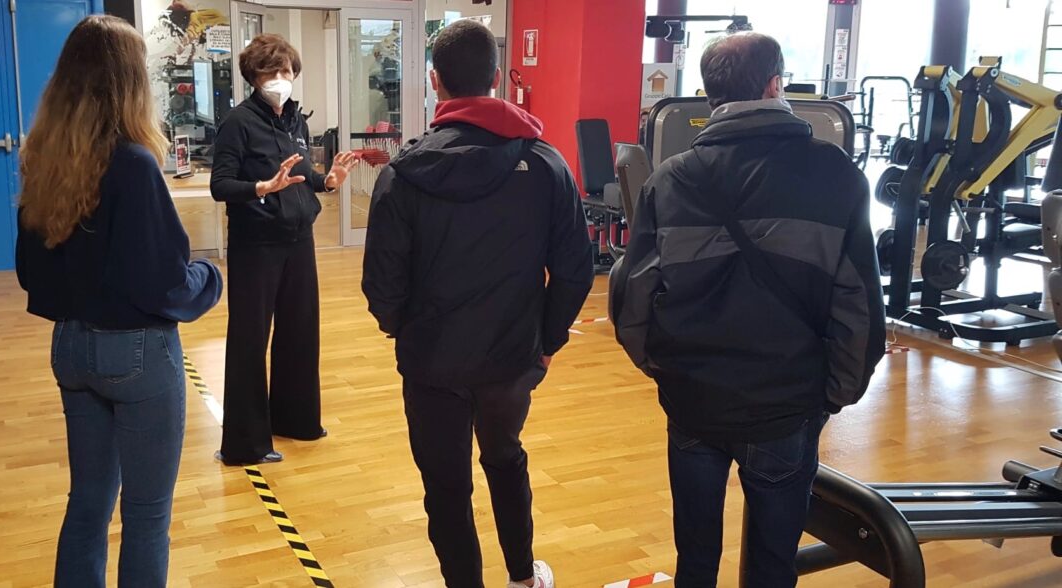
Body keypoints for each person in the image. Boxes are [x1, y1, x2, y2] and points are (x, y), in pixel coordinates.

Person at [609, 33, 886, 587]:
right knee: (773, 564)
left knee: (695, 558)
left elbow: (632, 298)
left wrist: (664, 369)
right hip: (787, 402)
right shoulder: (835, 176)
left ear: (709, 93)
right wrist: (834, 393)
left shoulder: (671, 180)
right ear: (775, 84)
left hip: (695, 400)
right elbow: (859, 304)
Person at [362, 20, 593, 588]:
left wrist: (406, 330)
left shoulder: (403, 173)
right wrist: (547, 340)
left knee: (445, 486)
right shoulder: (547, 165)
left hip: (432, 360)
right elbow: (575, 271)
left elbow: (381, 286)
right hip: (511, 357)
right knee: (505, 457)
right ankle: (523, 578)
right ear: (495, 78)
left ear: (434, 81)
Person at [15, 16, 223, 588]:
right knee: (147, 516)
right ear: (130, 83)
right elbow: (164, 284)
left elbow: (31, 272)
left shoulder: (41, 157)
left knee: (87, 504)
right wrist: (210, 277)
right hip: (136, 356)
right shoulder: (133, 163)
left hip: (71, 347)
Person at [211, 34, 359, 466]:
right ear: (254, 77)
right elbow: (220, 185)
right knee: (250, 339)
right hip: (256, 243)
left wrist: (327, 181)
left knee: (300, 330)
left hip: (299, 239)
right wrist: (261, 187)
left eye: (287, 71)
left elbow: (302, 175)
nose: (281, 78)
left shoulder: (296, 120)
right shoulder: (238, 122)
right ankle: (245, 444)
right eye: (271, 72)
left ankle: (296, 419)